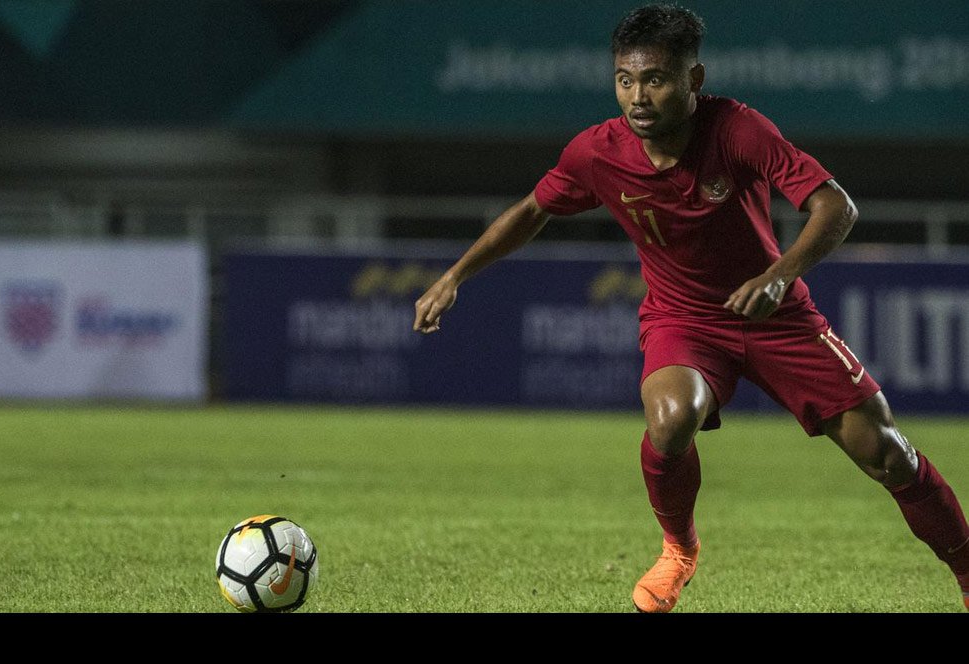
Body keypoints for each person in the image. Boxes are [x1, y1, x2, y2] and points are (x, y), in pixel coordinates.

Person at [412, 3, 969, 613]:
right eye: (625, 80)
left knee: (886, 453)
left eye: (655, 79)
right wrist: (455, 276)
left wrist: (781, 276)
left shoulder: (737, 130)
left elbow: (836, 207)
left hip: (776, 315)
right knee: (672, 416)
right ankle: (678, 548)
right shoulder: (598, 152)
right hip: (683, 320)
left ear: (693, 81)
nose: (638, 96)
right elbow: (532, 211)